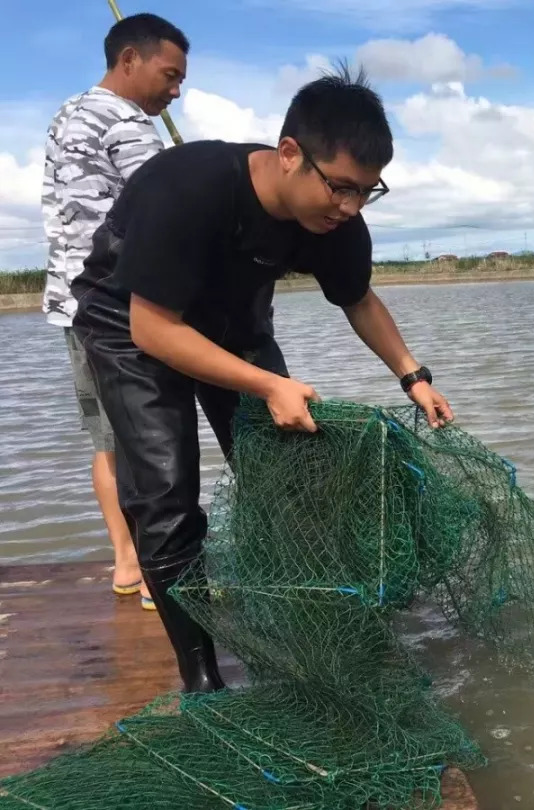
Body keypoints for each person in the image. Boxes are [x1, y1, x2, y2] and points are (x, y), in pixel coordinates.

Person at [70, 64, 454, 694]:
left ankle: (304, 627)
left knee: (289, 477)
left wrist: (414, 377)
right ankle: (202, 678)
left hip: (232, 321)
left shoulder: (337, 223)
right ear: (289, 154)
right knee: (165, 492)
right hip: (132, 321)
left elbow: (358, 299)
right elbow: (154, 330)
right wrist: (269, 384)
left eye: (367, 191)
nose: (351, 206)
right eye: (340, 187)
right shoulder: (187, 185)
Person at [42, 12, 189, 610]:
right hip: (118, 310)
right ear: (130, 59)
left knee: (106, 441)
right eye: (170, 74)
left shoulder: (67, 113)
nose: (175, 90)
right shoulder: (126, 121)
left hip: (71, 303)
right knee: (148, 442)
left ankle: (128, 564)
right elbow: (167, 216)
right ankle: (164, 572)